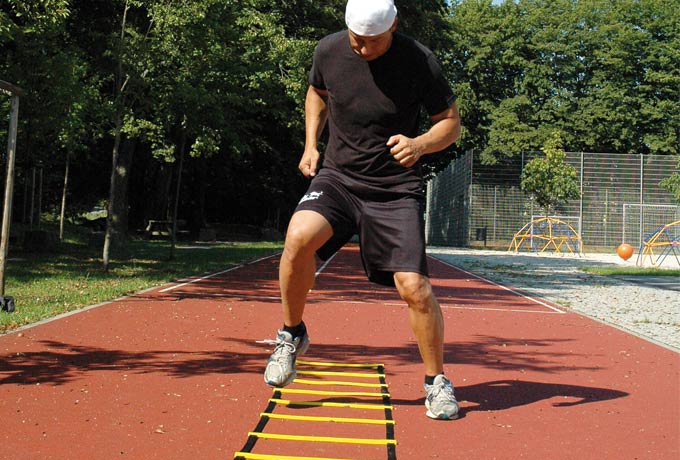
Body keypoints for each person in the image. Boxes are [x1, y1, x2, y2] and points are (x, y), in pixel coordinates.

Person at [262, 0, 461, 420]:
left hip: (393, 188)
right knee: (297, 237)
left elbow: (450, 122)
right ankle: (291, 334)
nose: (361, 48)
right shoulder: (329, 50)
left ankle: (436, 382)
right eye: (355, 38)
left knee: (414, 288)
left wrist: (420, 144)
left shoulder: (419, 60)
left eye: (371, 41)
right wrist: (311, 143)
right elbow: (316, 93)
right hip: (338, 178)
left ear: (391, 29)